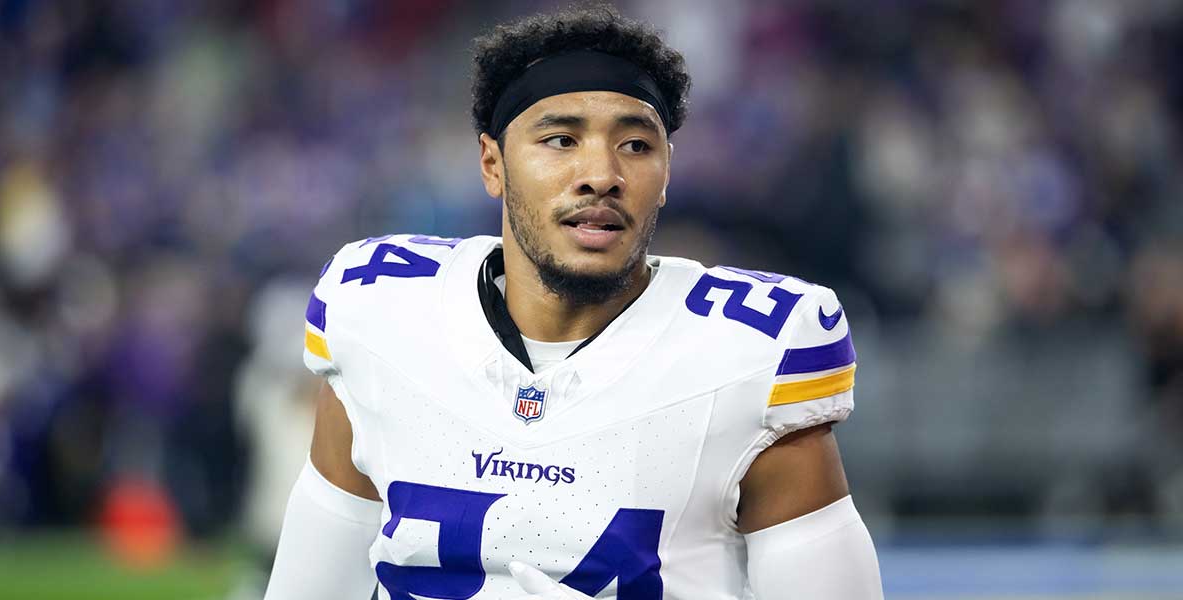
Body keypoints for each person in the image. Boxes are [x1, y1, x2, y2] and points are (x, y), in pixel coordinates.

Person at [264, 6, 883, 599]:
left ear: (667, 172)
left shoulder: (749, 354)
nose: (600, 174)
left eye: (636, 146)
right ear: (493, 164)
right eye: (560, 140)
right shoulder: (381, 314)